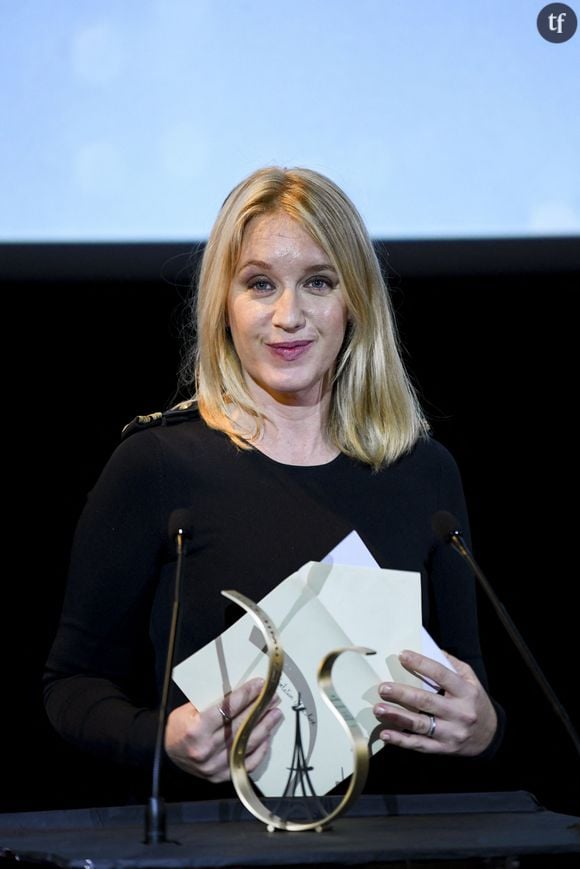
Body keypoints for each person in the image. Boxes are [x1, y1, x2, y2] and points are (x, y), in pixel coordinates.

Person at [44, 166, 503, 802]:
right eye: (260, 284)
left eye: (318, 282)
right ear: (224, 306)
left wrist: (481, 727)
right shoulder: (157, 466)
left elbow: (463, 680)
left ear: (356, 302)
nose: (289, 315)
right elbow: (72, 686)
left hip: (390, 842)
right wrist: (164, 740)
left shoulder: (422, 471)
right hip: (206, 846)